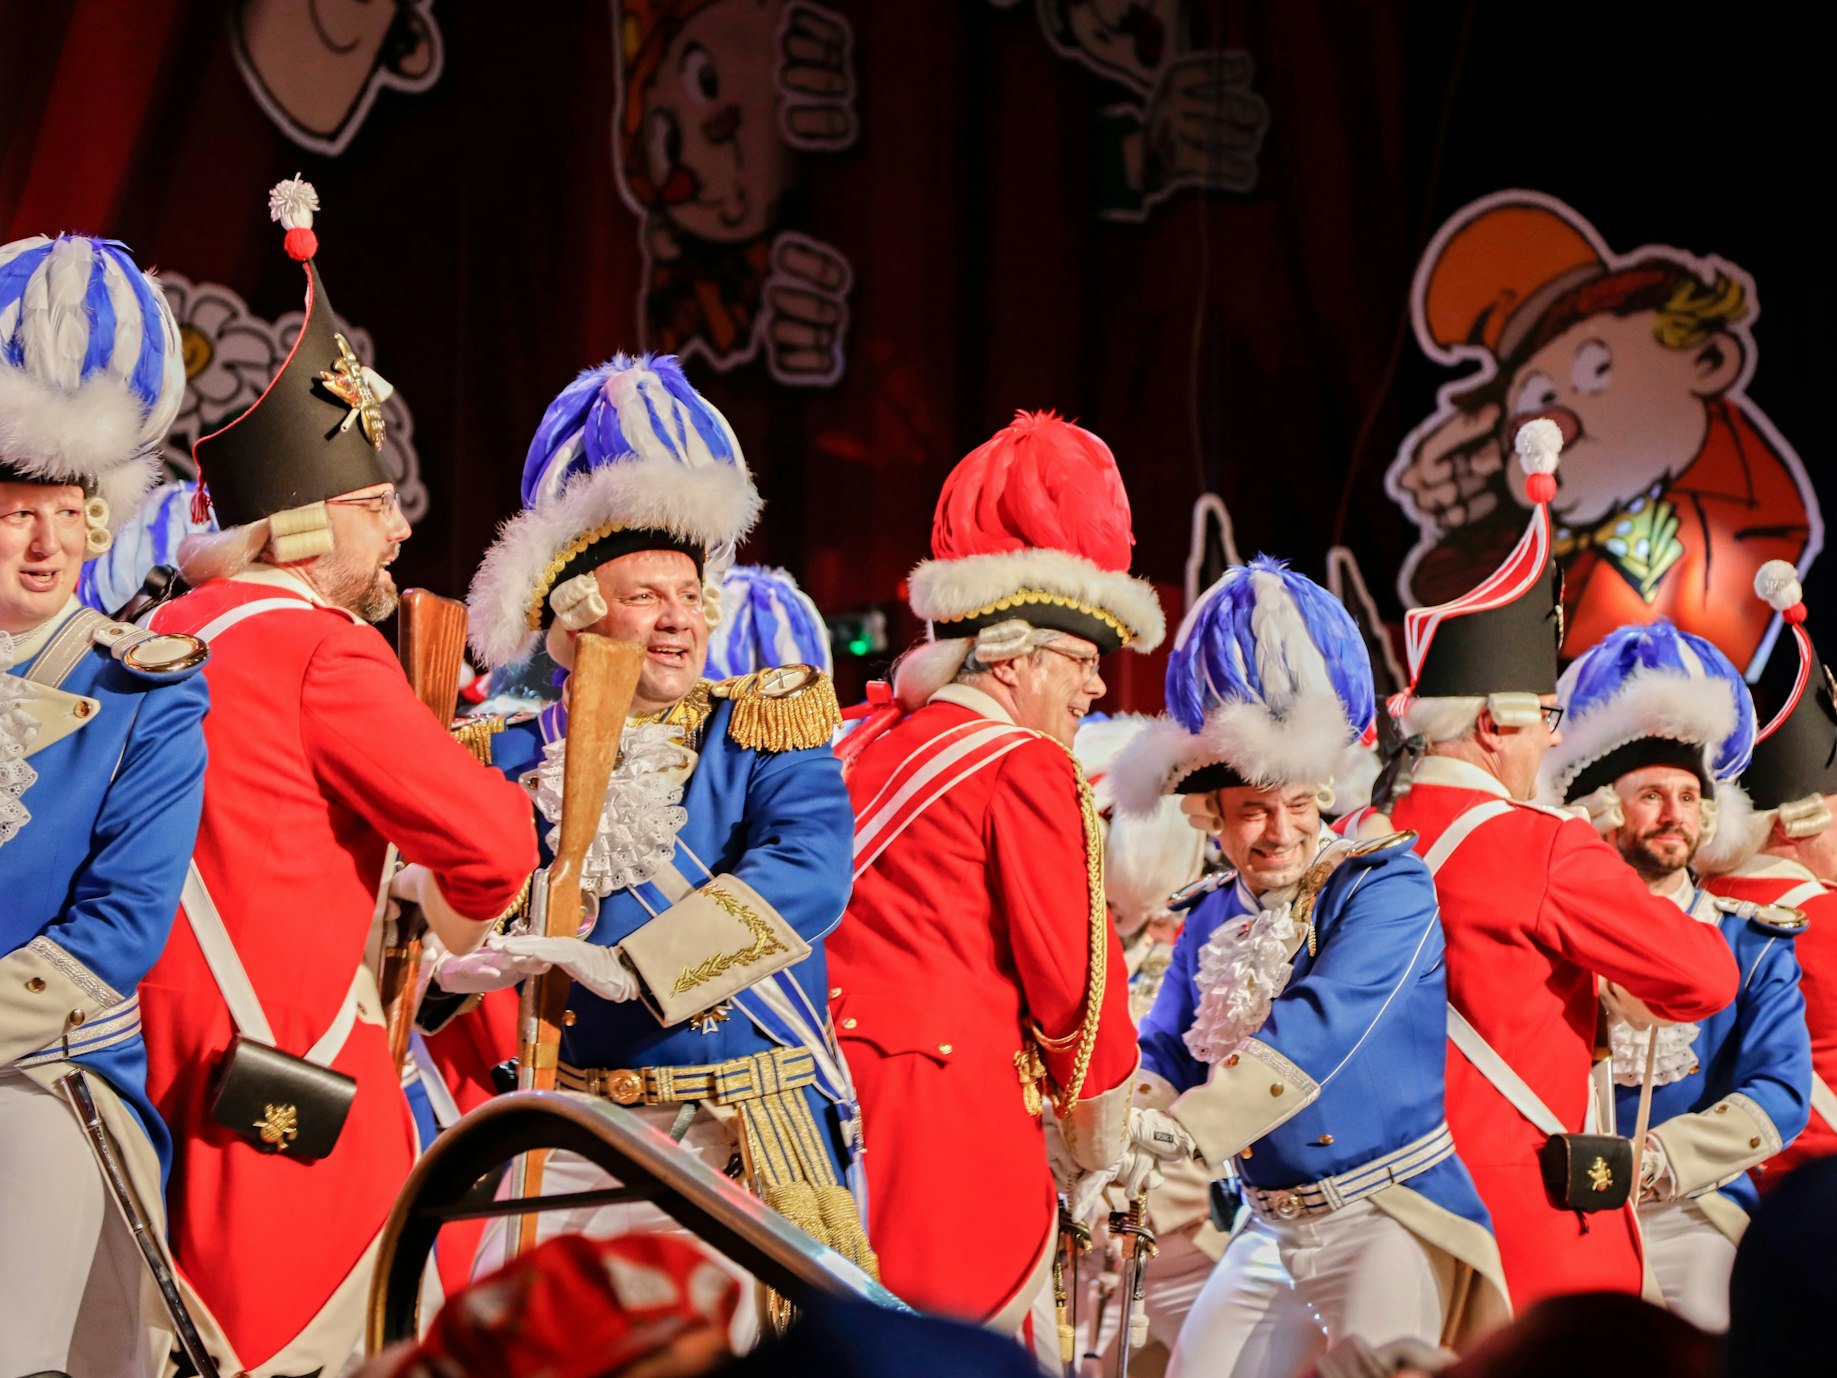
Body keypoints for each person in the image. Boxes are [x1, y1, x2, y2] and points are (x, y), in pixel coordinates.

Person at [142, 179, 538, 1378]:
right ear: (304, 527)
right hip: (288, 1067)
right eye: (376, 506)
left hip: (146, 1061)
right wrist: (442, 907)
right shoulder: (322, 648)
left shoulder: (153, 632)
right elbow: (496, 843)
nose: (399, 532)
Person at [452, 353, 868, 1333]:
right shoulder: (501, 752)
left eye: (690, 594)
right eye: (647, 596)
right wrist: (450, 969)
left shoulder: (761, 724)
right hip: (570, 1129)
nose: (680, 620)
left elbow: (809, 872)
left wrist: (635, 966)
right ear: (574, 611)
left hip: (735, 1132)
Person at [1104, 557, 1506, 1378]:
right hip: (1266, 1226)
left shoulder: (1385, 884)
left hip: (1384, 1211)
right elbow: (1168, 1048)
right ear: (1210, 817)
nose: (1281, 832)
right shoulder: (1210, 911)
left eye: (1297, 805)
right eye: (1254, 811)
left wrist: (1185, 1131)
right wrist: (1120, 1127)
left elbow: (1321, 1026)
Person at [1381, 419, 1739, 1307]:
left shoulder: (1357, 831)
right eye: (1544, 714)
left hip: (1381, 1211)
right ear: (1492, 723)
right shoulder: (1539, 842)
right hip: (1521, 1216)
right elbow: (1703, 977)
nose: (1551, 737)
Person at [827, 411, 1162, 1350]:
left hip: (824, 1105)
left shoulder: (861, 737)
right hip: (948, 1128)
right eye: (1083, 662)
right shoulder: (1025, 764)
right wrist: (1099, 1141)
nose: (1096, 689)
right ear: (1012, 656)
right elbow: (1073, 989)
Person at [0, 231, 207, 1377]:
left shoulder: (147, 688)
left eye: (68, 514)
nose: (47, 544)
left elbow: (123, 926)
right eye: (16, 512)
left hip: (44, 1069)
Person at [1540, 618, 1810, 1331]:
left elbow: (1782, 1093)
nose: (1674, 815)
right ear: (1603, 809)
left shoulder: (1752, 943)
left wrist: (1654, 1162)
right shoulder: (1551, 939)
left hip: (1696, 1212)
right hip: (1560, 1211)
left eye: (1688, 797)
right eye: (1651, 795)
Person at [1699, 563, 1837, 1190]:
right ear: (1800, 823)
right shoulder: (1825, 919)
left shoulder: (1692, 905)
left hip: (1720, 1193)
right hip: (1814, 1192)